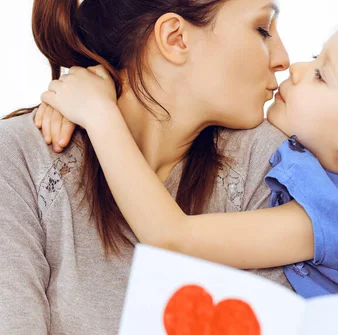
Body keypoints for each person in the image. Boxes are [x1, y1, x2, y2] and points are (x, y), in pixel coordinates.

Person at [41, 13, 338, 334]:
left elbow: (172, 236)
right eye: (316, 55)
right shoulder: (334, 178)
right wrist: (106, 80)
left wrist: (102, 118)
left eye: (321, 74)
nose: (294, 66)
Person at [0, 0, 293, 334]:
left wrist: (99, 114)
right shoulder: (21, 159)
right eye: (262, 29)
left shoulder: (272, 164)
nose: (284, 59)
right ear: (175, 38)